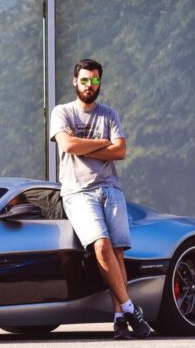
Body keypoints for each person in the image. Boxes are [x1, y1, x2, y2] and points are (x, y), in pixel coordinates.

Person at [49, 58, 151, 340]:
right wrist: (103, 144)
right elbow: (68, 144)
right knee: (101, 244)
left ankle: (120, 321)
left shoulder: (109, 114)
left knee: (117, 253)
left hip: (111, 189)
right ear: (75, 81)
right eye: (84, 80)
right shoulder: (62, 112)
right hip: (78, 191)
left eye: (95, 80)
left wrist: (84, 146)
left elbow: (120, 152)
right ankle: (131, 309)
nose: (89, 85)